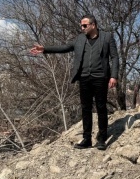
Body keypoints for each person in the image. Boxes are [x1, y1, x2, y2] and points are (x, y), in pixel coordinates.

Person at [30, 14, 119, 150]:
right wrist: (45, 49)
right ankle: (87, 139)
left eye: (84, 25)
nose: (82, 28)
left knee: (101, 107)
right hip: (84, 78)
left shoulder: (107, 37)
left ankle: (102, 138)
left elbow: (115, 57)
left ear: (93, 25)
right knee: (85, 108)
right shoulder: (80, 39)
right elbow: (65, 47)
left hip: (100, 77)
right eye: (81, 25)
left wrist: (113, 76)